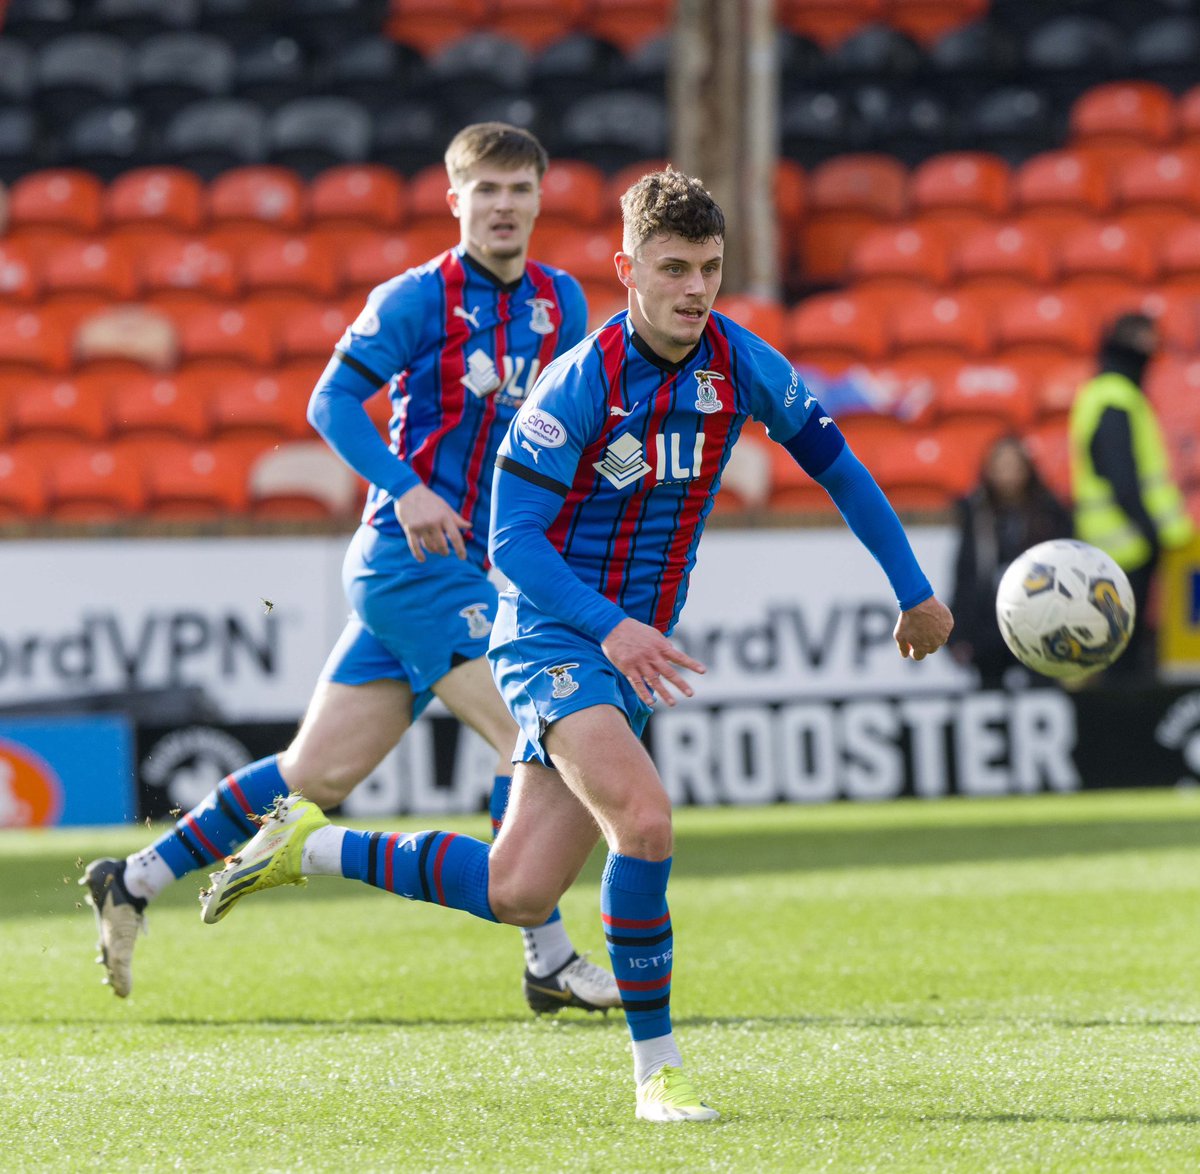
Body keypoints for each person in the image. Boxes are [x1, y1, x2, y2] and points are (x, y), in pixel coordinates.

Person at [197, 169, 953, 1122]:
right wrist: (613, 627)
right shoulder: (578, 384)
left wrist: (915, 591)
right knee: (645, 821)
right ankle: (658, 1076)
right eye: (672, 269)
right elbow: (511, 542)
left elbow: (840, 470)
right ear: (627, 270)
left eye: (709, 269)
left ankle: (312, 846)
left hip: (626, 649)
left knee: (516, 888)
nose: (695, 289)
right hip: (550, 635)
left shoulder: (743, 363)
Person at [81, 122, 620, 1016]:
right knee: (529, 730)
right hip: (412, 563)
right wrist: (407, 488)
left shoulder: (560, 300)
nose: (503, 206)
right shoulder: (416, 298)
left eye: (519, 189)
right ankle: (548, 955)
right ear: (454, 200)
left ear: (539, 199)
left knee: (315, 775)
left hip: (467, 568)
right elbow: (329, 400)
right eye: (486, 189)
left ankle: (133, 878)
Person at [1069, 312, 1194, 678]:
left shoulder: (1108, 394)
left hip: (1120, 543)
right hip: (1124, 546)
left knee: (1123, 651)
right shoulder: (1116, 397)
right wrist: (1149, 530)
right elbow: (1121, 476)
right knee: (1122, 659)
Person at [949, 434, 1072, 687]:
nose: (1008, 475)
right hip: (989, 623)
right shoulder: (976, 513)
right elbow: (966, 575)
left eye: (1014, 466)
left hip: (1040, 619)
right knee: (990, 690)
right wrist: (960, 632)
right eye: (1001, 467)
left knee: (1043, 689)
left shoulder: (1049, 512)